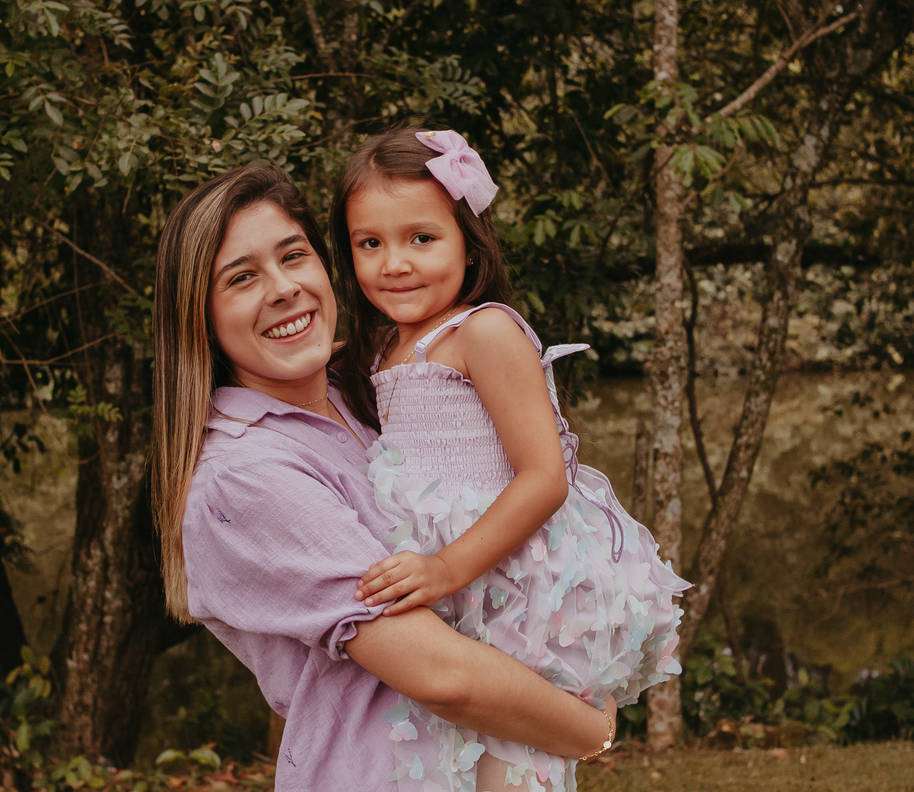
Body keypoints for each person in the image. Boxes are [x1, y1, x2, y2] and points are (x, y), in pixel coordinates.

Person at [150, 163, 616, 792]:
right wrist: (591, 728)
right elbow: (439, 674)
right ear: (199, 317)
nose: (284, 288)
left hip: (487, 756)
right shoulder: (243, 479)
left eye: (294, 255)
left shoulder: (374, 389)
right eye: (241, 279)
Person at [330, 128, 693, 790]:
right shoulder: (382, 347)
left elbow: (544, 477)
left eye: (422, 238)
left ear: (469, 242)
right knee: (454, 765)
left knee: (517, 767)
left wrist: (444, 567)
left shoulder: (485, 332)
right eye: (370, 244)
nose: (394, 263)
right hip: (452, 598)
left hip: (508, 588)